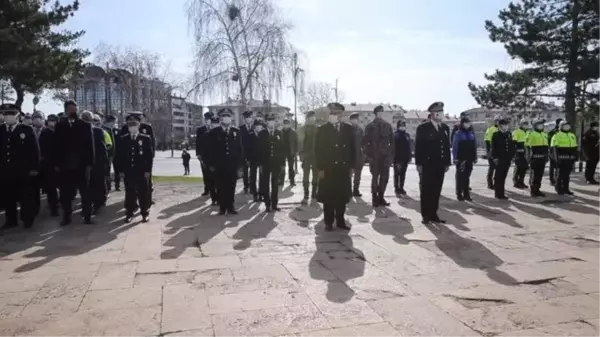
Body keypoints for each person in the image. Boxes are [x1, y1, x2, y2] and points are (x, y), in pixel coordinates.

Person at [51, 100, 95, 226]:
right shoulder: (60, 125)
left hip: (81, 166)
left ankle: (87, 216)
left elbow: (90, 146)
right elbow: (55, 146)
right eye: (70, 109)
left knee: (85, 193)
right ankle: (67, 217)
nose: (73, 111)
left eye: (74, 109)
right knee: (65, 195)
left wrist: (89, 164)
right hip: (65, 167)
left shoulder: (84, 125)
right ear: (66, 110)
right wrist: (56, 163)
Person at [315, 102, 355, 231]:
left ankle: (340, 221)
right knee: (329, 196)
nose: (335, 115)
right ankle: (328, 221)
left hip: (343, 168)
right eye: (333, 113)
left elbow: (352, 149)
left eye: (338, 113)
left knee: (342, 196)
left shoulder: (348, 129)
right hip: (328, 168)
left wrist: (352, 166)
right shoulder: (322, 129)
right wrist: (320, 168)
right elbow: (318, 150)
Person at [0, 103, 40, 229]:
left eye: (11, 114)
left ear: (18, 115)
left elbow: (35, 150)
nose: (9, 117)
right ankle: (11, 220)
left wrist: (34, 168)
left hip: (23, 171)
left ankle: (27, 219)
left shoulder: (26, 130)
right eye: (6, 114)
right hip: (5, 171)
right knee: (8, 197)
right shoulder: (1, 130)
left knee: (25, 197)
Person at [414, 101, 451, 224]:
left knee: (436, 190)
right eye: (438, 112)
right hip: (427, 164)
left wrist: (447, 163)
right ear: (433, 114)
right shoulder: (423, 128)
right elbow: (418, 146)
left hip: (440, 165)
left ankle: (433, 214)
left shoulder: (445, 128)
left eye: (441, 112)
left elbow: (446, 147)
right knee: (426, 190)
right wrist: (418, 164)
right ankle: (425, 215)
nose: (440, 114)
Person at [205, 108, 244, 215]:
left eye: (228, 116)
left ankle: (230, 206)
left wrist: (240, 166)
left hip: (232, 164)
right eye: (224, 116)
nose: (226, 118)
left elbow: (240, 149)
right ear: (221, 119)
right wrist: (211, 164)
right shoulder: (214, 132)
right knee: (220, 186)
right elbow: (210, 150)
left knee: (231, 186)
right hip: (219, 165)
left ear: (231, 118)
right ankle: (222, 207)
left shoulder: (236, 131)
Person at [117, 112, 153, 223]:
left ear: (138, 126)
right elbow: (120, 156)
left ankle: (144, 213)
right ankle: (129, 213)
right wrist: (121, 171)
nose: (132, 127)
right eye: (130, 125)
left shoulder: (146, 138)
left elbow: (149, 156)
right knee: (130, 192)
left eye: (135, 125)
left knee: (143, 192)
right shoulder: (123, 139)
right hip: (128, 170)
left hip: (141, 171)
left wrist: (148, 170)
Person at [363, 105, 394, 207]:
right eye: (379, 113)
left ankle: (381, 197)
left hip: (385, 157)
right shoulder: (370, 126)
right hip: (374, 157)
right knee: (375, 178)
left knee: (384, 178)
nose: (381, 114)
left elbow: (392, 143)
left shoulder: (388, 126)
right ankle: (374, 198)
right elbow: (364, 142)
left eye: (382, 113)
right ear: (376, 114)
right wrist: (369, 155)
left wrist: (390, 156)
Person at [257, 115, 285, 212]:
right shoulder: (262, 134)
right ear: (266, 122)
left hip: (276, 163)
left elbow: (282, 149)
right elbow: (258, 150)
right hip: (265, 162)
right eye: (269, 121)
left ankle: (274, 204)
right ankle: (267, 204)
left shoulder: (279, 133)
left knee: (275, 184)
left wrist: (282, 164)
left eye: (273, 120)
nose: (271, 122)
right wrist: (260, 164)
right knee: (265, 184)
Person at [83, 111, 109, 214]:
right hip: (84, 164)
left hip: (97, 163)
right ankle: (88, 207)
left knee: (98, 184)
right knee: (86, 187)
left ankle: (98, 204)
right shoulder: (79, 131)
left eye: (89, 118)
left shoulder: (98, 132)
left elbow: (103, 148)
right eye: (84, 118)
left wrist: (105, 163)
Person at [39, 114, 60, 216]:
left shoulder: (59, 132)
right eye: (50, 120)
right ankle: (54, 208)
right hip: (49, 165)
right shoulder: (45, 133)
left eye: (54, 120)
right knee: (51, 188)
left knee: (57, 188)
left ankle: (56, 206)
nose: (52, 122)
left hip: (57, 164)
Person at [452, 116, 477, 201]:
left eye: (469, 123)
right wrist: (455, 158)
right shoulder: (458, 133)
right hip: (461, 158)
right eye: (466, 123)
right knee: (460, 177)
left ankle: (466, 194)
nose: (468, 125)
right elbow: (455, 146)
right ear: (462, 124)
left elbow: (474, 146)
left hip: (469, 158)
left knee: (467, 177)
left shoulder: (471, 133)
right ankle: (459, 194)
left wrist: (475, 157)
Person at [551, 120, 578, 195]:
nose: (567, 127)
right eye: (565, 125)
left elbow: (575, 147)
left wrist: (575, 157)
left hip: (570, 158)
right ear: (561, 126)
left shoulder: (572, 135)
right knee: (560, 175)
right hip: (561, 158)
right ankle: (559, 188)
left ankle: (566, 189)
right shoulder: (556, 135)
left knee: (567, 175)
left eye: (568, 125)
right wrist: (556, 159)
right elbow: (554, 149)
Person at [490, 118, 514, 200]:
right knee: (498, 176)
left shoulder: (509, 134)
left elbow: (511, 146)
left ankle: (502, 193)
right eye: (504, 125)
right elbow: (493, 147)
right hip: (499, 158)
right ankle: (498, 193)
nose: (506, 126)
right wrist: (495, 157)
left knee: (503, 176)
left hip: (507, 158)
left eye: (507, 125)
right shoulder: (496, 134)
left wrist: (512, 156)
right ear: (500, 126)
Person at [526, 119, 548, 197]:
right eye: (539, 125)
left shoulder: (544, 134)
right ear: (535, 126)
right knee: (534, 174)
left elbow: (546, 147)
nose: (541, 126)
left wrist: (546, 156)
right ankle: (533, 191)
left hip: (542, 158)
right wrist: (529, 158)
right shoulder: (531, 134)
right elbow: (528, 147)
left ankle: (537, 189)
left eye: (542, 125)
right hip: (534, 157)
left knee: (540, 174)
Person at [300, 111, 319, 204]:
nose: (312, 119)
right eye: (310, 117)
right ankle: (306, 193)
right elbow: (300, 144)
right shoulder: (303, 129)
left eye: (313, 117)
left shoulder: (318, 129)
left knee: (316, 176)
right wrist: (301, 155)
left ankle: (314, 194)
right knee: (306, 176)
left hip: (316, 156)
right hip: (306, 156)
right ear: (307, 119)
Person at [196, 112, 213, 196]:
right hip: (204, 155)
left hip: (213, 155)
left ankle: (214, 189)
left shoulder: (215, 128)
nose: (207, 121)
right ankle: (207, 189)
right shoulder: (200, 129)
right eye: (206, 119)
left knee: (213, 173)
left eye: (209, 119)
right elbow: (198, 142)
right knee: (205, 172)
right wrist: (198, 154)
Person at [393, 120, 412, 195]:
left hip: (405, 159)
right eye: (401, 125)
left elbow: (409, 147)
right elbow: (393, 147)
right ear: (398, 126)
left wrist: (410, 157)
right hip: (397, 159)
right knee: (397, 173)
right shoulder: (395, 135)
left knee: (403, 174)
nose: (402, 127)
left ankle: (401, 187)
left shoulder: (407, 135)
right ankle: (396, 188)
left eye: (403, 125)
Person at [349, 112, 365, 197]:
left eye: (357, 119)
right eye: (354, 119)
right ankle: (348, 190)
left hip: (359, 155)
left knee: (358, 175)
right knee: (349, 175)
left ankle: (356, 190)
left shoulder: (360, 130)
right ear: (351, 120)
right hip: (350, 156)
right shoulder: (347, 130)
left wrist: (363, 154)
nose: (356, 121)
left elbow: (363, 142)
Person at [279, 118, 298, 186]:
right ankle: (281, 181)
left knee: (291, 167)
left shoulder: (293, 132)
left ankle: (292, 181)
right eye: (285, 124)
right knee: (282, 167)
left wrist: (296, 151)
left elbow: (296, 142)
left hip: (291, 152)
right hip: (282, 152)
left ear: (289, 124)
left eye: (287, 124)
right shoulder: (280, 132)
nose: (286, 125)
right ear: (283, 125)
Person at [102, 115, 118, 191]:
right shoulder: (105, 129)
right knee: (105, 171)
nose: (114, 124)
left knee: (107, 171)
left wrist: (112, 154)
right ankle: (107, 186)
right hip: (105, 154)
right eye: (114, 122)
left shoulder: (107, 129)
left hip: (108, 154)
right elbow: (112, 144)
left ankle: (108, 186)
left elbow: (112, 144)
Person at [511, 118, 529, 189]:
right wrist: (516, 152)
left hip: (525, 152)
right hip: (518, 153)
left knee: (524, 168)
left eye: (526, 124)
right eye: (524, 124)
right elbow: (514, 143)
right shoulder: (516, 132)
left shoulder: (528, 132)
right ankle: (515, 182)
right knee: (518, 167)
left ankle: (521, 181)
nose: (526, 126)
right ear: (521, 124)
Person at [484, 115, 501, 189]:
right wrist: (489, 153)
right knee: (492, 168)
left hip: (500, 152)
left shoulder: (502, 129)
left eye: (500, 121)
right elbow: (487, 142)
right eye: (497, 121)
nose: (498, 122)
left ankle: (497, 183)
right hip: (492, 152)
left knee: (499, 169)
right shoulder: (491, 129)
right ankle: (490, 183)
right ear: (495, 121)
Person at [240, 110, 254, 193]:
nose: (248, 119)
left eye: (249, 117)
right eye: (246, 118)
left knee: (253, 172)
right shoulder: (240, 129)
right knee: (245, 172)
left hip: (253, 154)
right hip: (244, 154)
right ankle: (246, 186)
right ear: (244, 119)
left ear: (251, 118)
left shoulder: (255, 127)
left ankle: (252, 186)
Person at [547, 118, 562, 185]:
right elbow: (549, 142)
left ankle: (558, 179)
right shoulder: (553, 132)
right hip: (553, 151)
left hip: (561, 151)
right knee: (553, 166)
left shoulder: (562, 131)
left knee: (559, 166)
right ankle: (552, 179)